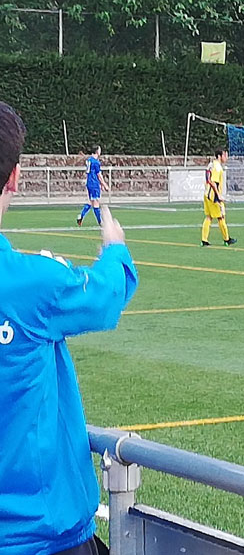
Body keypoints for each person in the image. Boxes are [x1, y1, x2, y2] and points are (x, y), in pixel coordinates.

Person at [0, 101, 138, 555]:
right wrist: (115, 250)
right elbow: (104, 297)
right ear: (15, 178)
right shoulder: (29, 283)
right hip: (42, 535)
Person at [201, 149, 237, 247]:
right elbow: (213, 182)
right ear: (219, 156)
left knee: (209, 217)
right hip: (213, 196)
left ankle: (204, 240)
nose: (226, 157)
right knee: (221, 216)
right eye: (225, 155)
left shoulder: (211, 164)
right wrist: (218, 195)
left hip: (206, 194)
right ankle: (226, 239)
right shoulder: (217, 167)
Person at [76, 146, 109, 226]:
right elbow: (98, 175)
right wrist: (104, 185)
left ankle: (81, 215)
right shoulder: (96, 162)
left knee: (91, 201)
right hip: (94, 183)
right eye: (100, 150)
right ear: (97, 151)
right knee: (96, 202)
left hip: (89, 183)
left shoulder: (89, 160)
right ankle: (100, 222)